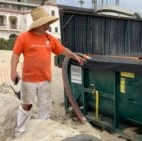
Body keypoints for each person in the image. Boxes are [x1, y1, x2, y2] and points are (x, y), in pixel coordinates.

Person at [10, 6, 86, 137]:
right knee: (26, 105)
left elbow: (63, 50)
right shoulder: (24, 37)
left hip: (45, 79)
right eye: (47, 22)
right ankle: (20, 133)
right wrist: (13, 71)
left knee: (45, 107)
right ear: (39, 24)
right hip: (29, 80)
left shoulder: (50, 38)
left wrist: (75, 56)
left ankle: (41, 131)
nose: (49, 25)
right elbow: (15, 55)